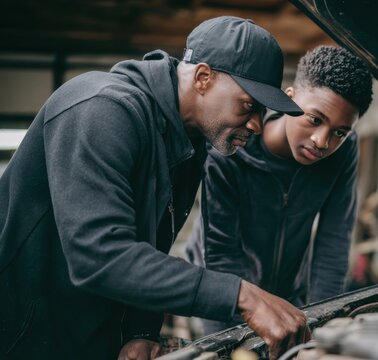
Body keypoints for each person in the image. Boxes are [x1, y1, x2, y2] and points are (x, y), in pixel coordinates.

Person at [0, 16, 310, 360]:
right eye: (249, 105)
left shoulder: (188, 143)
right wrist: (241, 295)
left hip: (85, 335)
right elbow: (100, 254)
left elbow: (153, 242)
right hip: (19, 335)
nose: (256, 123)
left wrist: (142, 330)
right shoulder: (102, 109)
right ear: (203, 78)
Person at [186, 45, 373, 333]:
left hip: (289, 294)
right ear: (290, 98)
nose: (322, 142)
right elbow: (222, 252)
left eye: (339, 132)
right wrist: (251, 327)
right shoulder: (232, 147)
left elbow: (334, 240)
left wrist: (327, 326)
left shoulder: (344, 153)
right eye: (315, 119)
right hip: (226, 290)